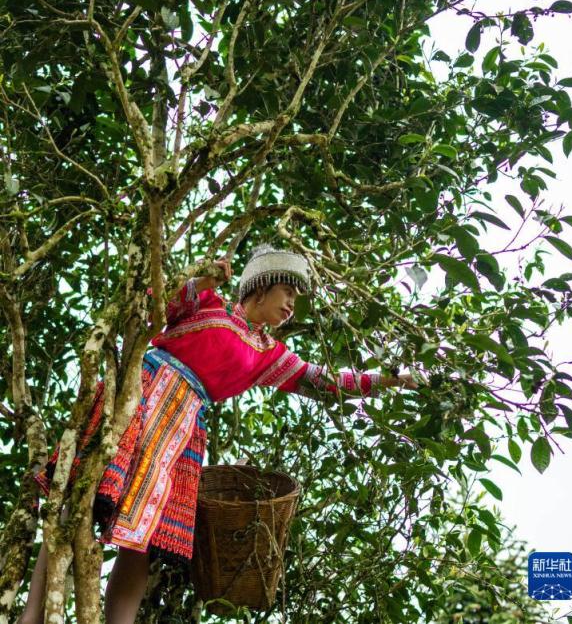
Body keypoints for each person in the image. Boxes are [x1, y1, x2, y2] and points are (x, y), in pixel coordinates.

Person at [19, 244, 418, 624]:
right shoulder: (211, 304)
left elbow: (326, 381)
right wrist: (202, 281)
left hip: (181, 424)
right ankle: (32, 615)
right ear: (261, 286)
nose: (293, 305)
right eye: (287, 291)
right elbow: (157, 300)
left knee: (139, 537)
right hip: (141, 393)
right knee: (79, 496)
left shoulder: (268, 353)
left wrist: (391, 380)